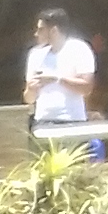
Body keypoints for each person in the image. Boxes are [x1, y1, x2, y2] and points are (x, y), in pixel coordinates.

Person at [25, 7, 97, 139]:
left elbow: (86, 88)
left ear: (54, 30)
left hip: (72, 121)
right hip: (42, 121)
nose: (36, 34)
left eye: (41, 29)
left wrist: (57, 79)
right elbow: (28, 99)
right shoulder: (35, 55)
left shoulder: (78, 48)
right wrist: (31, 89)